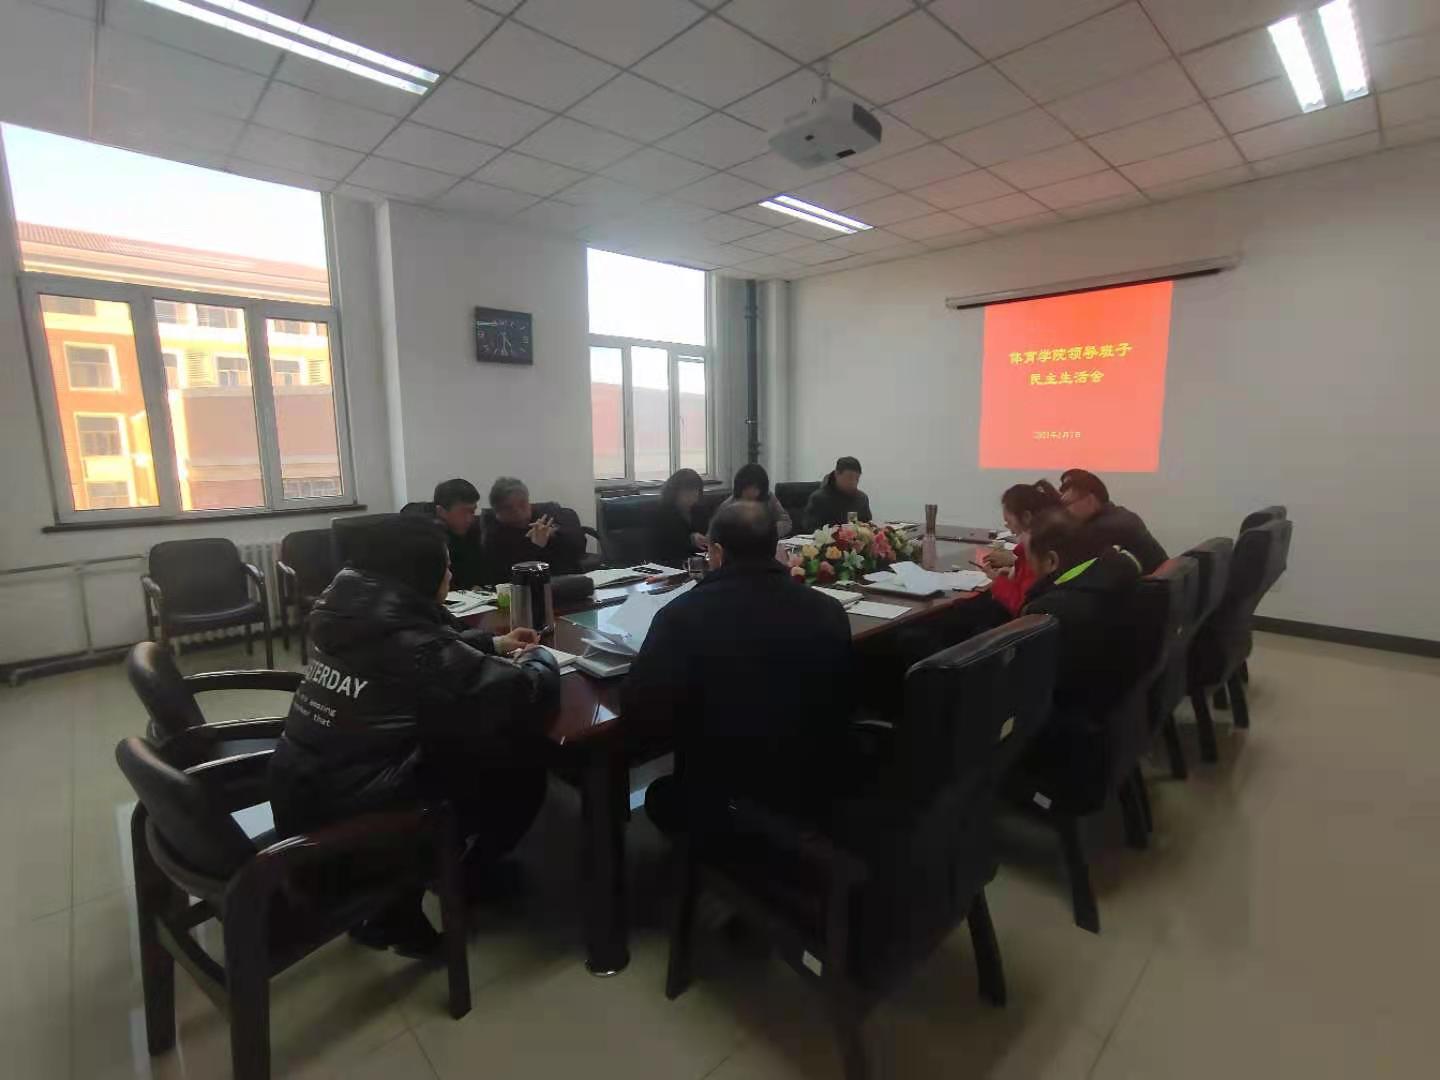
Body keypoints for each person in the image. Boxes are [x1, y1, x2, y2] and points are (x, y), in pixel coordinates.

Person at [267, 515, 560, 956]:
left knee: (459, 739)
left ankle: (394, 914)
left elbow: (425, 652)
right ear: (419, 575)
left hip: (305, 790)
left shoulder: (347, 611)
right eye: (445, 567)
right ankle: (466, 878)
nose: (451, 574)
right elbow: (523, 692)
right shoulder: (413, 644)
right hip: (359, 822)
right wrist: (542, 658)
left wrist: (494, 645)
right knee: (522, 764)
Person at [623, 501, 854, 831]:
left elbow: (641, 715)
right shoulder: (828, 610)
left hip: (725, 798)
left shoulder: (680, 617)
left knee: (660, 796)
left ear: (716, 552)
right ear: (775, 547)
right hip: (814, 781)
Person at [1020, 509, 1143, 714]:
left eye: (1030, 560)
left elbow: (1030, 682)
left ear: (1051, 561)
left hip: (1070, 717)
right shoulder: (1117, 571)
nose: (1030, 569)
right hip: (1122, 708)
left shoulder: (1050, 611)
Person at [977, 478, 1063, 616]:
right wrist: (1013, 574)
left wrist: (998, 582)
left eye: (1009, 521)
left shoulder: (1036, 552)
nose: (1008, 527)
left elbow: (1022, 605)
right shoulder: (1046, 542)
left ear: (1026, 517)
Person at [1058, 468, 1168, 573]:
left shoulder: (1106, 527)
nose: (1064, 512)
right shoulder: (1117, 515)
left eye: (1067, 505)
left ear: (1090, 500)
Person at [481, 476, 587, 584]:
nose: (518, 512)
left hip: (569, 580)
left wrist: (554, 535)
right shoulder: (494, 534)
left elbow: (579, 545)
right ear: (497, 512)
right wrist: (536, 546)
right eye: (509, 508)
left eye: (522, 504)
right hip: (530, 587)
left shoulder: (545, 515)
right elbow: (508, 575)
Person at [428, 478, 487, 589]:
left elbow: (482, 575)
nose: (470, 519)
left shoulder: (474, 532)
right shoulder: (426, 538)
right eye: (463, 512)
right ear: (441, 511)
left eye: (472, 511)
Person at [649, 468, 709, 567]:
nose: (692, 496)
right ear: (674, 492)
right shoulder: (661, 512)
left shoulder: (700, 510)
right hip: (670, 563)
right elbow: (665, 544)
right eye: (687, 492)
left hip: (697, 562)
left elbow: (707, 534)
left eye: (696, 491)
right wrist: (690, 540)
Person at [714, 463, 792, 538]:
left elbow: (786, 522)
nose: (752, 492)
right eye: (747, 488)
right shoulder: (727, 506)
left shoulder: (769, 498)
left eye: (756, 488)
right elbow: (714, 534)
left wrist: (769, 532)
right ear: (740, 488)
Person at [803, 455, 873, 528]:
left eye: (857, 479)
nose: (854, 483)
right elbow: (810, 529)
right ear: (837, 474)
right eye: (850, 477)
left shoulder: (861, 499)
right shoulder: (819, 499)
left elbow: (867, 526)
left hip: (853, 535)